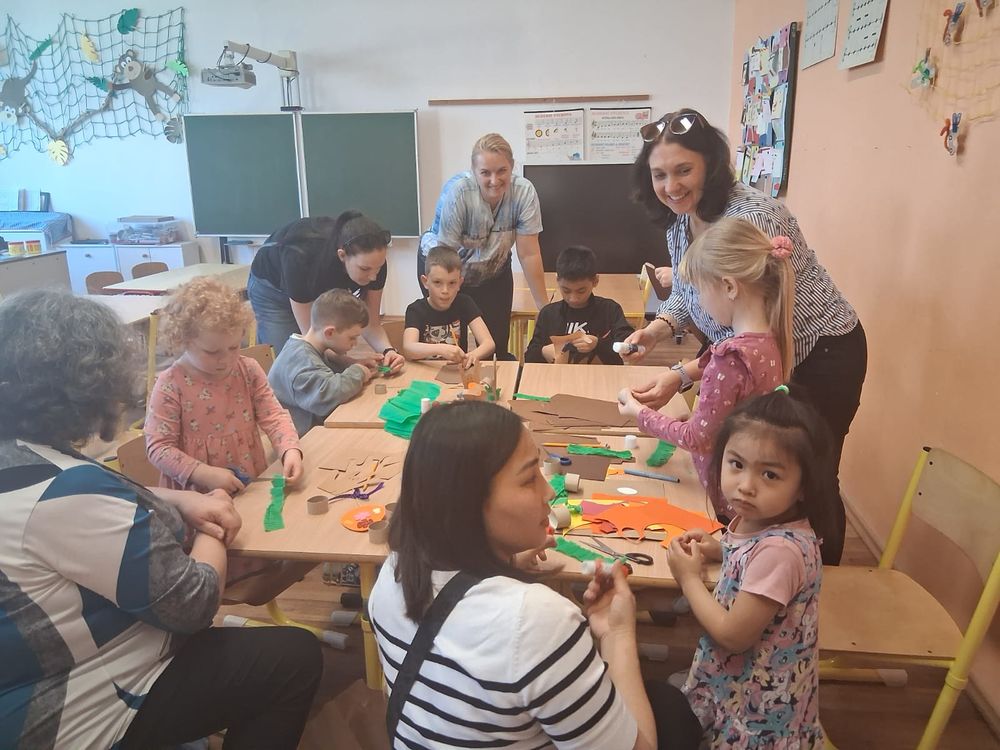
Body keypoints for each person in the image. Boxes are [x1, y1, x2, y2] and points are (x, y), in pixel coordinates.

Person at [0, 290, 321, 750]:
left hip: (64, 667)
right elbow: (194, 604)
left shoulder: (26, 459)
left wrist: (174, 499)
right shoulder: (66, 493)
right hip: (70, 710)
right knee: (293, 658)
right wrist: (212, 516)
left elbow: (89, 505)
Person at [368, 400, 703, 750]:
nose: (548, 491)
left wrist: (503, 566)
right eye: (529, 478)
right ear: (467, 502)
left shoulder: (392, 574)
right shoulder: (537, 621)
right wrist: (617, 634)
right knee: (670, 712)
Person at [623, 108, 866, 564]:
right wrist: (658, 330)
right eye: (659, 175)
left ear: (711, 166)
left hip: (819, 350)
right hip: (751, 349)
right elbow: (695, 291)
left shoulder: (754, 217)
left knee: (806, 476)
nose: (671, 186)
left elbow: (752, 331)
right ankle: (754, 564)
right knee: (757, 468)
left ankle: (816, 582)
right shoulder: (681, 218)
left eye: (683, 170)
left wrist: (684, 373)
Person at [667, 390, 837, 748]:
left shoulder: (781, 552)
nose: (746, 486)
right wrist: (719, 549)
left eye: (770, 475)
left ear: (804, 486)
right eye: (736, 464)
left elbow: (733, 635)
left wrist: (688, 579)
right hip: (739, 683)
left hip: (758, 707)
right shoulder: (759, 520)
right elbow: (749, 557)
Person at [145, 277, 311, 603]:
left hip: (248, 485)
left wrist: (290, 449)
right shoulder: (171, 383)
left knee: (256, 544)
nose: (226, 359)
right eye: (212, 351)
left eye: (234, 347)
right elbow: (158, 448)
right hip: (198, 499)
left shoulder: (247, 369)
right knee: (218, 561)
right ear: (183, 340)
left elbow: (274, 415)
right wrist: (205, 473)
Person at [619, 218, 789, 514]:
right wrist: (702, 416)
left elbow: (697, 438)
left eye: (699, 290)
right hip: (742, 489)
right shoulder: (769, 342)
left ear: (729, 287)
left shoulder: (729, 357)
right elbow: (736, 415)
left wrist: (640, 413)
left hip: (720, 499)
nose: (698, 301)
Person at [419, 133, 548, 358]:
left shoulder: (524, 192)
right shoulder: (459, 192)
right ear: (474, 170)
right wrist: (448, 293)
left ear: (512, 166)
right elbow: (446, 256)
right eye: (485, 172)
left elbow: (529, 254)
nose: (494, 180)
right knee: (451, 344)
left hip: (493, 269)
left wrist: (544, 308)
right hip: (445, 268)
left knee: (494, 344)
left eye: (502, 171)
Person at [247, 210, 406, 373]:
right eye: (365, 269)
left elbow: (372, 323)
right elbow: (312, 340)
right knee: (292, 365)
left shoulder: (373, 264)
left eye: (378, 268)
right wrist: (350, 363)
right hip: (272, 291)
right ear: (342, 255)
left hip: (314, 285)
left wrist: (388, 351)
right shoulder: (303, 258)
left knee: (331, 362)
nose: (373, 277)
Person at [269, 288, 375, 436]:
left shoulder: (307, 348)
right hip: (303, 438)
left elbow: (325, 375)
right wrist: (358, 371)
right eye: (352, 338)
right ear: (329, 332)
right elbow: (328, 395)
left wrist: (353, 363)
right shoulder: (302, 361)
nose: (355, 344)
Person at [524, 244, 634, 365]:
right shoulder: (548, 314)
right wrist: (543, 352)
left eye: (581, 291)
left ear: (595, 281)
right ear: (557, 280)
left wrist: (598, 344)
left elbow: (630, 348)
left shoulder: (610, 310)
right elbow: (529, 357)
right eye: (566, 291)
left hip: (599, 374)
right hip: (558, 375)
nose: (573, 299)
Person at [403, 245, 495, 368]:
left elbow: (488, 343)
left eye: (452, 283)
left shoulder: (464, 303)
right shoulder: (415, 310)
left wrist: (472, 356)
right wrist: (441, 349)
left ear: (459, 283)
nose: (445, 290)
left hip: (456, 372)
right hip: (425, 373)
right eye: (437, 282)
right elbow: (408, 348)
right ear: (425, 282)